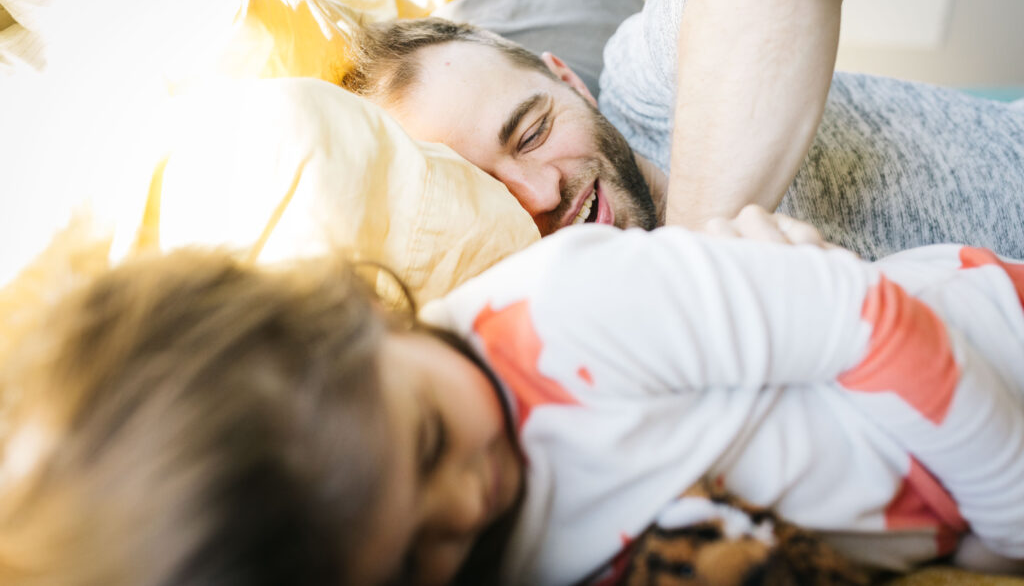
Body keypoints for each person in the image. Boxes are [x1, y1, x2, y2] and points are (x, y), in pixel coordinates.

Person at [3, 211, 1024, 586]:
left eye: (430, 439)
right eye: (411, 560)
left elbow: (866, 319)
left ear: (365, 317)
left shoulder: (566, 311)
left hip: (985, 359)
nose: (468, 501)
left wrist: (1003, 516)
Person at [339, 0, 1024, 261]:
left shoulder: (649, 87)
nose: (544, 193)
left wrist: (692, 266)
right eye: (488, 193)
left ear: (570, 80)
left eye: (534, 131)